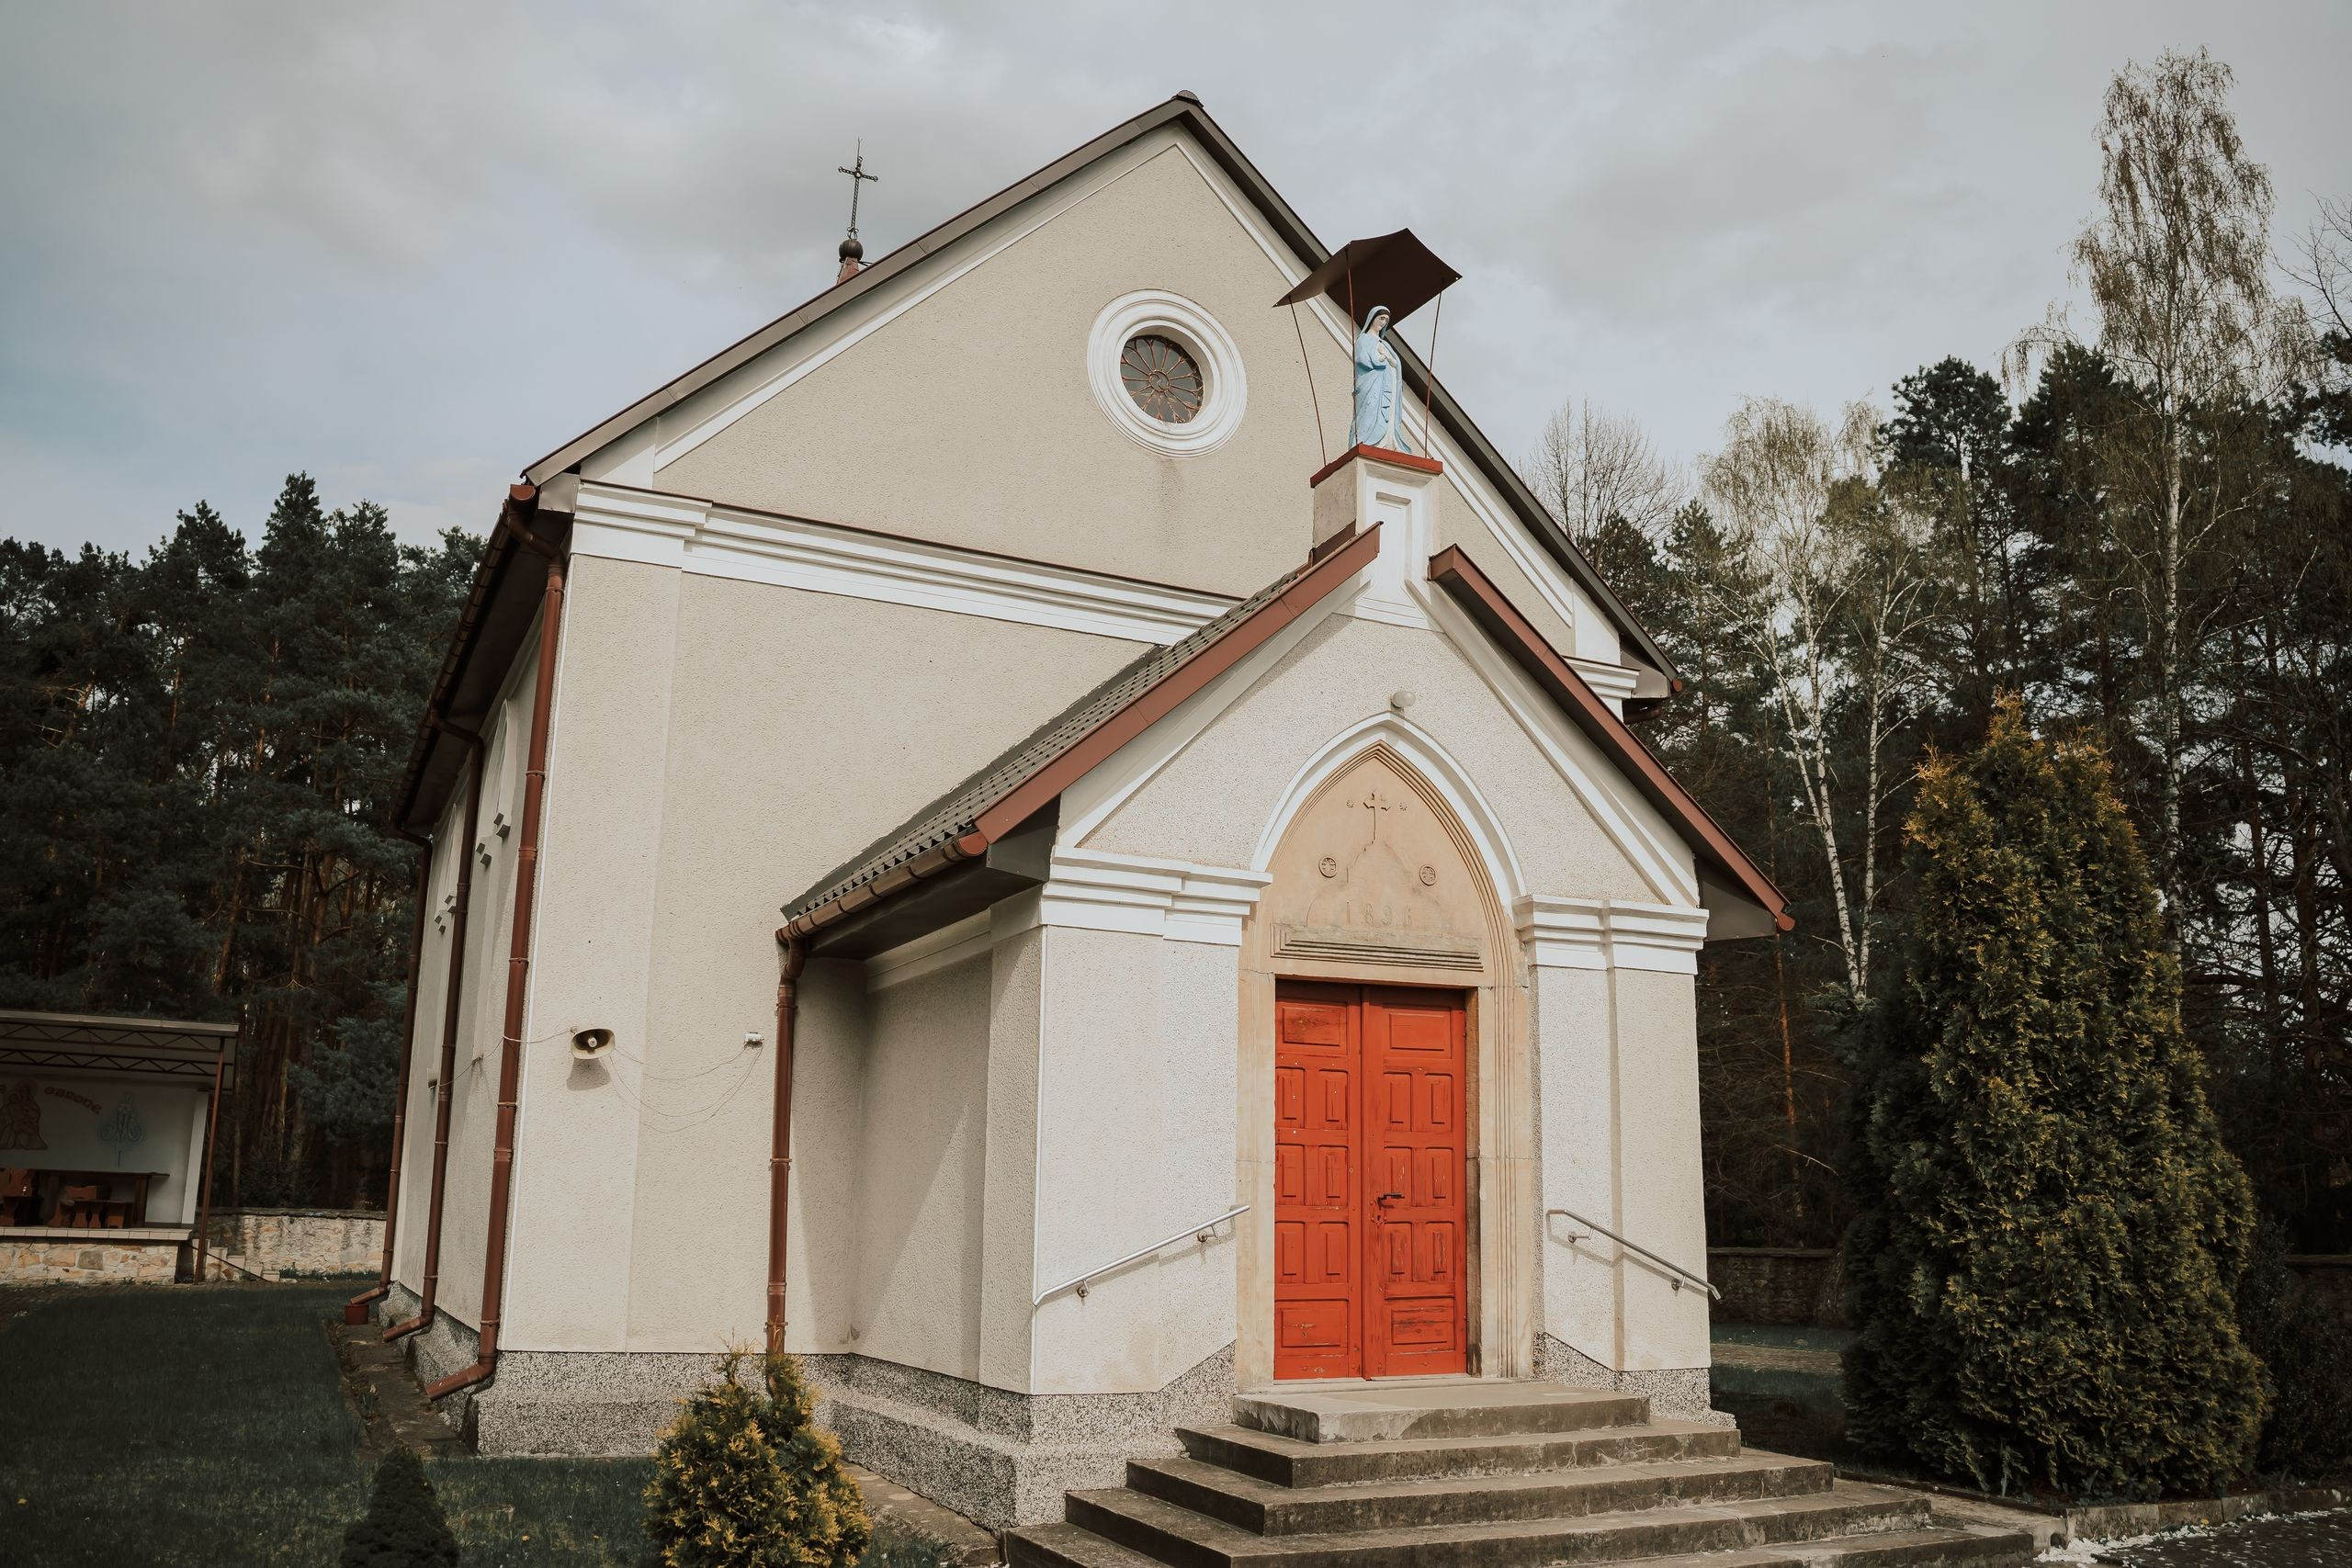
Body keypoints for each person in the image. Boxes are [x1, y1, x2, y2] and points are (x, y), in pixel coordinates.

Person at [1348, 305, 1412, 453]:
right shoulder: (1363, 339)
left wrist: (1387, 356)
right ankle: (1366, 440)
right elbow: (1362, 359)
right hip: (1370, 385)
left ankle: (1386, 440)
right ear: (1373, 318)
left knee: (1386, 412)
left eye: (1386, 320)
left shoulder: (1384, 344)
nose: (1383, 323)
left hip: (1386, 384)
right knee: (1368, 410)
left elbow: (1395, 363)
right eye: (1381, 318)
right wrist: (1383, 357)